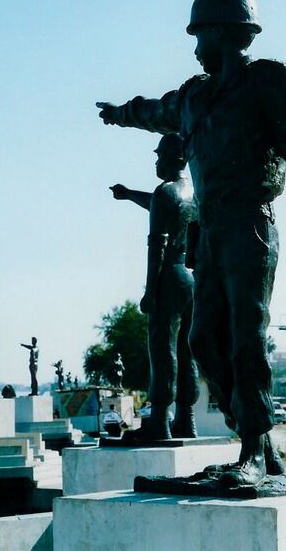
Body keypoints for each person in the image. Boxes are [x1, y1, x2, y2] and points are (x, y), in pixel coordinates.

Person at [97, 0, 286, 487]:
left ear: (225, 33)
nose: (195, 47)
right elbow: (152, 110)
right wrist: (119, 114)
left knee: (247, 333)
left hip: (251, 225)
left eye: (199, 35)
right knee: (203, 339)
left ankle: (252, 448)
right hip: (209, 234)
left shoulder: (269, 83)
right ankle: (257, 441)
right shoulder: (193, 98)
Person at [110, 134, 199, 438]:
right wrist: (128, 194)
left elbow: (156, 244)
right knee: (187, 351)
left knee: (163, 350)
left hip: (168, 277)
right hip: (190, 278)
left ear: (173, 159)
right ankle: (186, 420)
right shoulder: (191, 194)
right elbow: (154, 203)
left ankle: (160, 420)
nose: (156, 162)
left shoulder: (166, 192)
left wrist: (150, 290)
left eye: (159, 156)